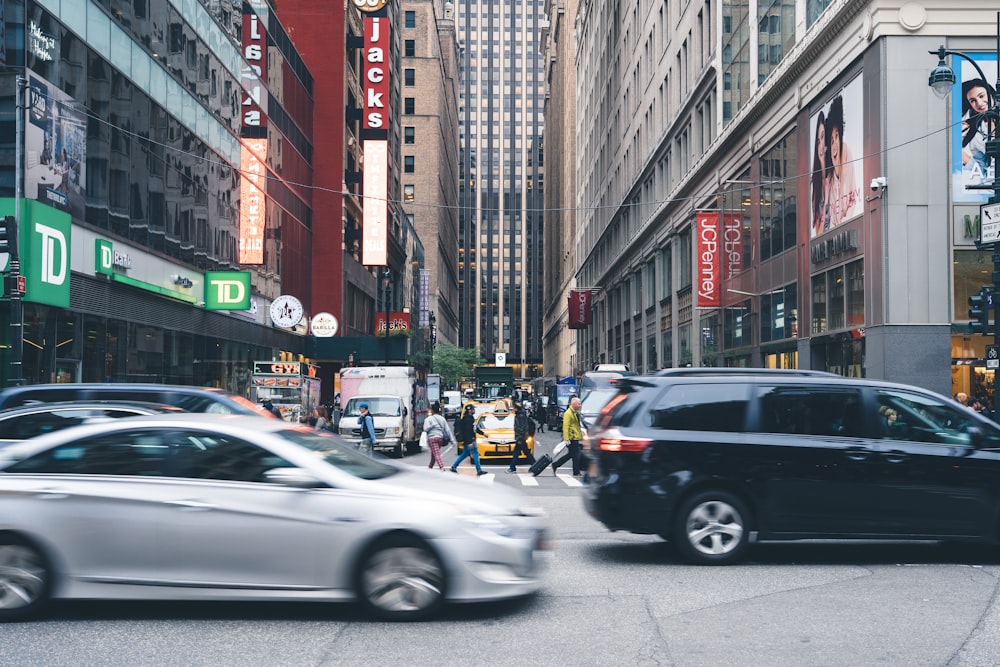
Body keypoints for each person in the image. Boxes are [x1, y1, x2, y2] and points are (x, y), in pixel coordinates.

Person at [825, 95, 859, 229]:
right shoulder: (830, 178)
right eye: (831, 140)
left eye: (836, 137)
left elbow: (853, 200)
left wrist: (844, 222)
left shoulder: (846, 151)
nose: (834, 144)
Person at [961, 78, 995, 182]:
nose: (979, 103)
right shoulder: (977, 131)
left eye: (981, 96)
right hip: (993, 187)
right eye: (973, 100)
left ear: (991, 93)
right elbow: (980, 169)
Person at [449, 404, 487, 475]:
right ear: (470, 410)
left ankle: (454, 467)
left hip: (469, 441)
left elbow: (474, 429)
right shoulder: (468, 420)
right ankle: (479, 470)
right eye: (473, 409)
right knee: (475, 454)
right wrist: (469, 442)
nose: (474, 410)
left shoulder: (469, 418)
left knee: (464, 454)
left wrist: (483, 433)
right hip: (470, 441)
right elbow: (467, 432)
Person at [552, 396, 584, 477]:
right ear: (574, 404)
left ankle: (557, 465)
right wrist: (566, 438)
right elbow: (565, 426)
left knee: (572, 454)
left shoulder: (574, 412)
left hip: (575, 436)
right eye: (578, 403)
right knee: (575, 454)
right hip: (571, 437)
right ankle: (575, 471)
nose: (580, 405)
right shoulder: (568, 413)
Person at [811, 110, 831, 237]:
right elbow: (817, 233)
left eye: (823, 137)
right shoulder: (815, 187)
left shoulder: (834, 178)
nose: (821, 144)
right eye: (818, 141)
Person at [423, 401, 456, 470]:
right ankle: (430, 468)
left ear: (432, 410)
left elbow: (425, 429)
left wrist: (432, 426)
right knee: (434, 454)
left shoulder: (428, 419)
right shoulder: (442, 419)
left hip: (432, 438)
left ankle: (441, 466)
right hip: (440, 438)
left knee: (436, 454)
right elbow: (448, 430)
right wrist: (452, 440)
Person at [506, 400, 536, 474]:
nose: (513, 410)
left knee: (516, 453)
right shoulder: (520, 414)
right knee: (526, 453)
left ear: (516, 408)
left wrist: (520, 438)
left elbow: (522, 428)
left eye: (514, 408)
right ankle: (535, 465)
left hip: (521, 437)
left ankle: (512, 468)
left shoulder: (520, 416)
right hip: (521, 437)